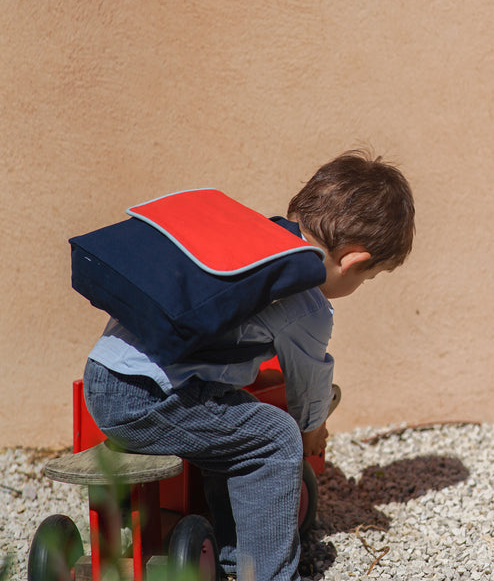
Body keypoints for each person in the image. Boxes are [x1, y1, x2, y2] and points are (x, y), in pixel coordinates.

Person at [82, 150, 415, 581]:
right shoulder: (306, 300)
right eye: (366, 278)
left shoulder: (249, 247)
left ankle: (234, 556)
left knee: (240, 428)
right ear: (352, 260)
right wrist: (311, 427)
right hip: (144, 399)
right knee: (274, 440)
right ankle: (272, 575)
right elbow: (309, 379)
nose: (359, 285)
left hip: (103, 377)